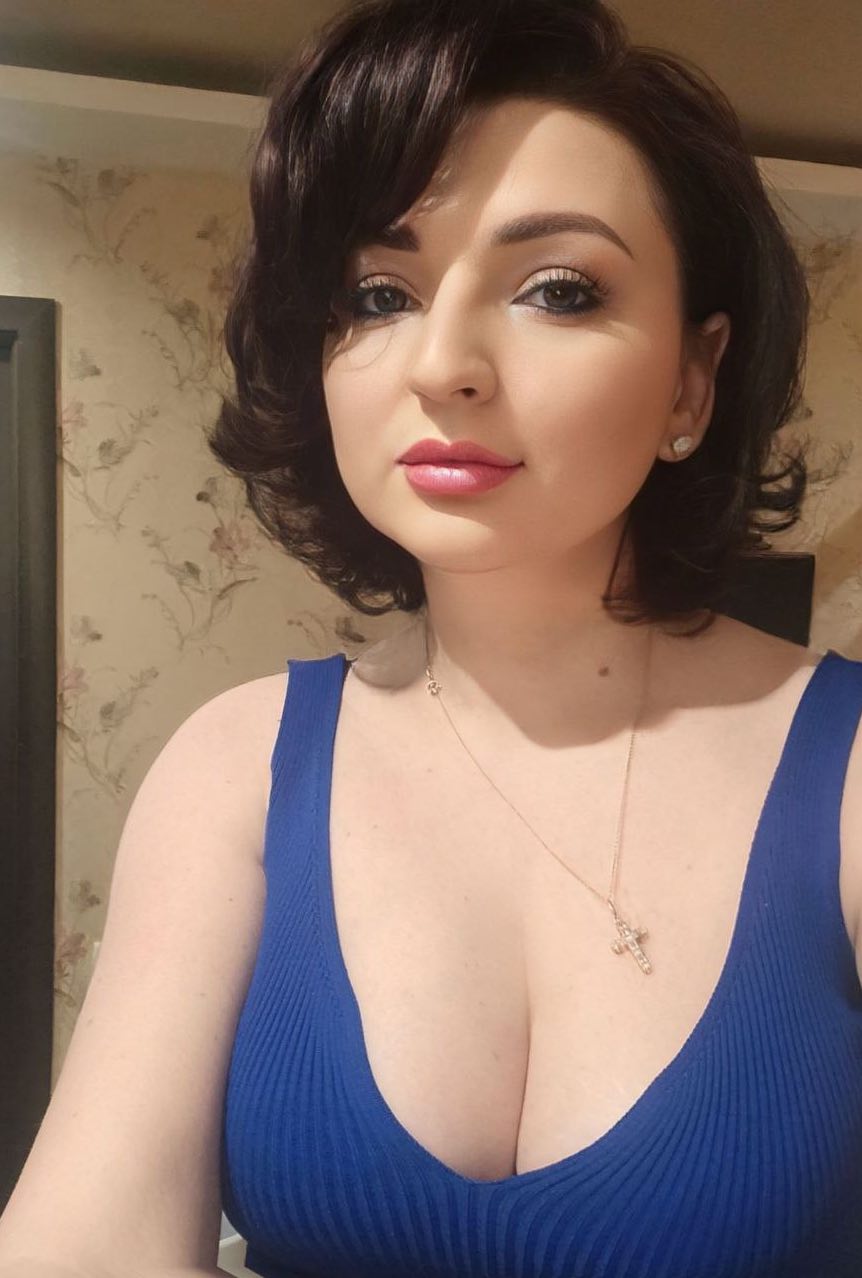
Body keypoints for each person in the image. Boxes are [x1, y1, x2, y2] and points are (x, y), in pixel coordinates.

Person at [1, 1, 861, 1276]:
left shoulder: (844, 776)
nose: (442, 363)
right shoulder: (235, 771)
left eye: (557, 289)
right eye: (377, 294)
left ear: (692, 377)